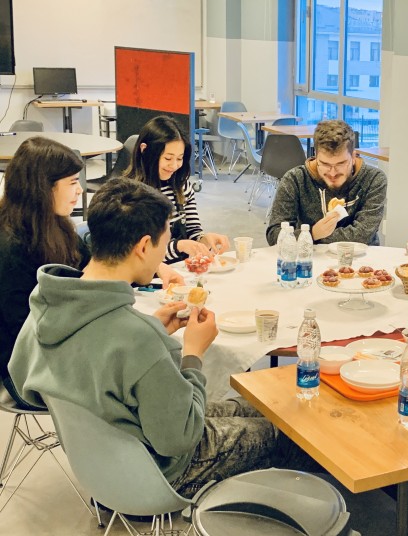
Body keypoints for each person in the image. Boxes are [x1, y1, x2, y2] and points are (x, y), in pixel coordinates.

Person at [8, 177, 314, 496]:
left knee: (268, 406)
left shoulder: (48, 301)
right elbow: (179, 438)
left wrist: (150, 332)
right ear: (143, 246)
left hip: (102, 460)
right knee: (295, 434)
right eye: (162, 244)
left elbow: (24, 376)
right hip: (157, 471)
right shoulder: (135, 337)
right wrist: (193, 354)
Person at [0, 138, 183, 405]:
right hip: (28, 369)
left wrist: (156, 267)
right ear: (42, 187)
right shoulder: (11, 247)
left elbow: (99, 265)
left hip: (62, 345)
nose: (80, 190)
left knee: (143, 356)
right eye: (72, 182)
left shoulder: (54, 226)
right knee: (144, 372)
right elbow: (28, 335)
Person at [266, 119, 387, 246]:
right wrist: (313, 233)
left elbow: (363, 235)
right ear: (316, 156)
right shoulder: (295, 179)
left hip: (362, 257)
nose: (333, 173)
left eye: (341, 164)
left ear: (353, 157)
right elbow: (275, 235)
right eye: (325, 164)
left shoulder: (374, 179)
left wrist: (311, 237)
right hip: (311, 256)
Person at [127, 115, 230, 263]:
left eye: (180, 158)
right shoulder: (130, 194)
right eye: (168, 158)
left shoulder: (181, 186)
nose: (174, 165)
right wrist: (178, 246)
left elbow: (192, 230)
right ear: (144, 150)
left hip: (180, 267)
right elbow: (137, 254)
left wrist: (203, 240)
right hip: (148, 272)